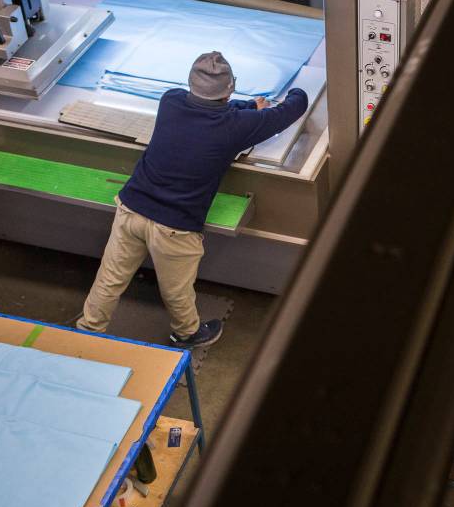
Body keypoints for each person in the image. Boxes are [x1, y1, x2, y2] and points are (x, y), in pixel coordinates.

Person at [77, 51, 309, 348]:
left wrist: (250, 106)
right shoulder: (235, 127)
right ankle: (187, 333)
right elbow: (291, 109)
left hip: (131, 207)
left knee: (109, 278)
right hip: (175, 226)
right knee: (176, 290)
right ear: (229, 90)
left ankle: (87, 329)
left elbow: (215, 111)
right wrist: (297, 90)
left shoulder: (170, 100)